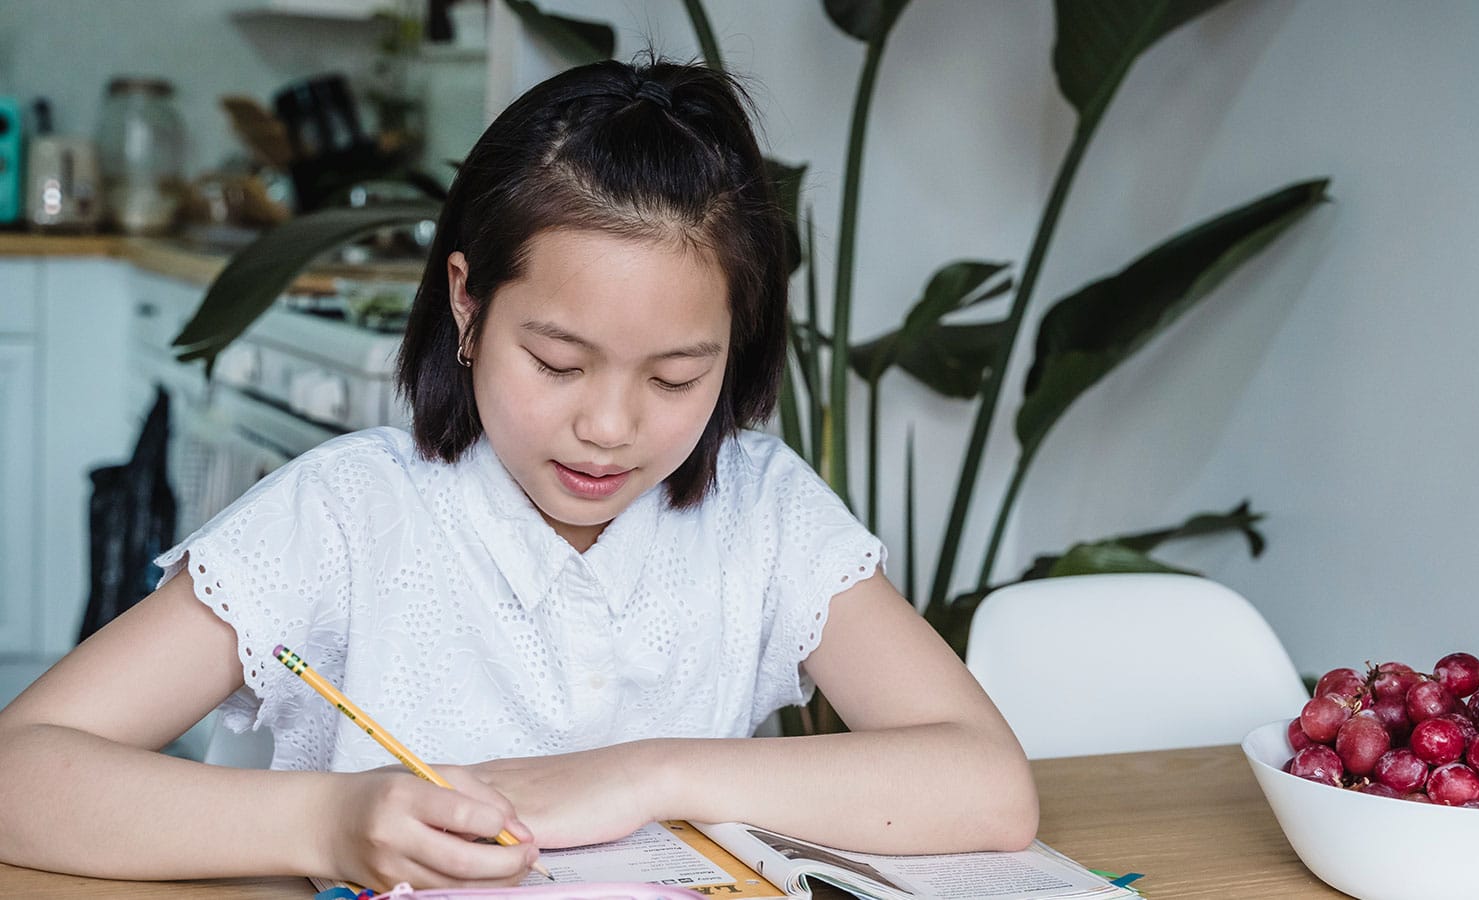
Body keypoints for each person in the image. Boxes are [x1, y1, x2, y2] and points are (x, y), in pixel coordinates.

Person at [0, 58, 1037, 891]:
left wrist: (642, 774)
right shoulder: (345, 519)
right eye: (556, 362)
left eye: (678, 377)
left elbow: (987, 785)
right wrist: (330, 821)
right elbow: (21, 773)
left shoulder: (762, 513)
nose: (608, 426)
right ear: (466, 303)